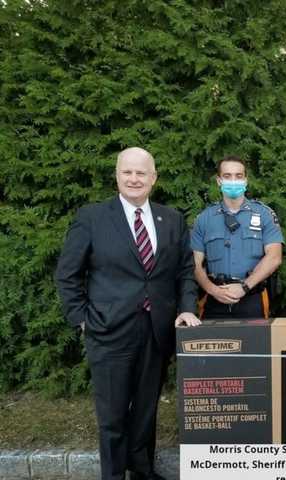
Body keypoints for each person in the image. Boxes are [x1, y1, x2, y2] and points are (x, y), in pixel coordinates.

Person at [55, 147, 200, 480]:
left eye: (141, 173)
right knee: (113, 414)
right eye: (127, 172)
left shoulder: (171, 218)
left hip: (155, 330)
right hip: (108, 331)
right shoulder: (92, 217)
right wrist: (81, 318)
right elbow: (67, 273)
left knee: (146, 410)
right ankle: (114, 474)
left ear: (153, 178)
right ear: (117, 175)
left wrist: (187, 309)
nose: (134, 179)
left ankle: (143, 470)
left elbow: (184, 272)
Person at [191, 155, 283, 319]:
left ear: (246, 180)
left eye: (238, 176)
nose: (233, 180)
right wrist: (212, 290)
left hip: (252, 297)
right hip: (214, 300)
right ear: (219, 181)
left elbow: (274, 257)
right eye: (227, 176)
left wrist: (244, 287)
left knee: (256, 345)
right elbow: (195, 263)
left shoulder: (264, 214)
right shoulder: (204, 218)